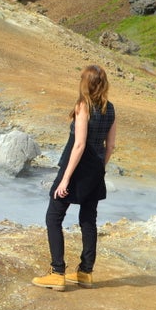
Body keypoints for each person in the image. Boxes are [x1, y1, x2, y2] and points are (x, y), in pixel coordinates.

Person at [32, 64, 117, 291]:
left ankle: (57, 272)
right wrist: (100, 168)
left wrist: (66, 178)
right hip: (96, 169)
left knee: (54, 217)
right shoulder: (111, 109)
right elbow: (110, 146)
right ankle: (85, 273)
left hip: (76, 168)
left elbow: (79, 145)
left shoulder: (83, 107)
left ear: (85, 84)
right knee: (88, 220)